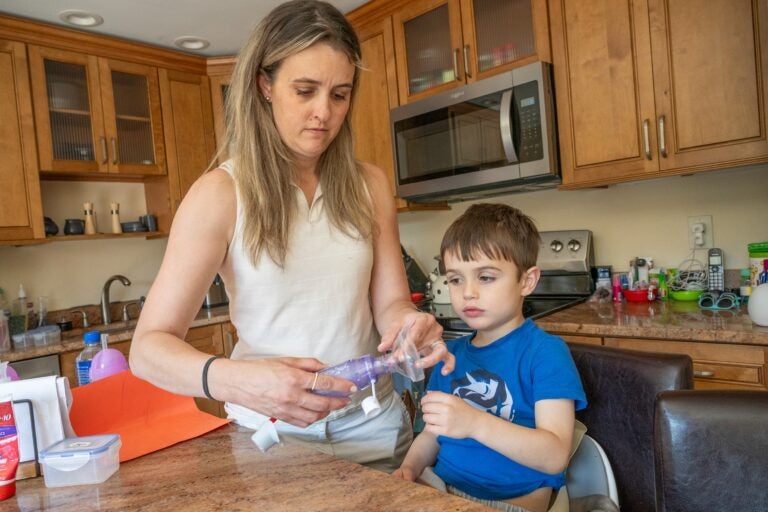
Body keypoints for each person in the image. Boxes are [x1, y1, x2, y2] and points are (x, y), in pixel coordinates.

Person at [130, 0, 453, 472]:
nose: (324, 112)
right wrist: (238, 381)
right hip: (275, 438)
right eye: (305, 91)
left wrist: (410, 324)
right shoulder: (220, 194)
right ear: (265, 85)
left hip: (374, 425)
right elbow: (147, 349)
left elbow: (390, 304)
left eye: (339, 95)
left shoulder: (370, 185)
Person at [393, 203, 587, 512]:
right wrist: (410, 468)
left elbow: (554, 456)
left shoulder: (545, 353)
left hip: (512, 503)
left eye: (485, 277)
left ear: (527, 280)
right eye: (455, 279)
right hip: (440, 491)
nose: (467, 292)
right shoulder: (450, 355)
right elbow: (432, 433)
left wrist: (473, 423)